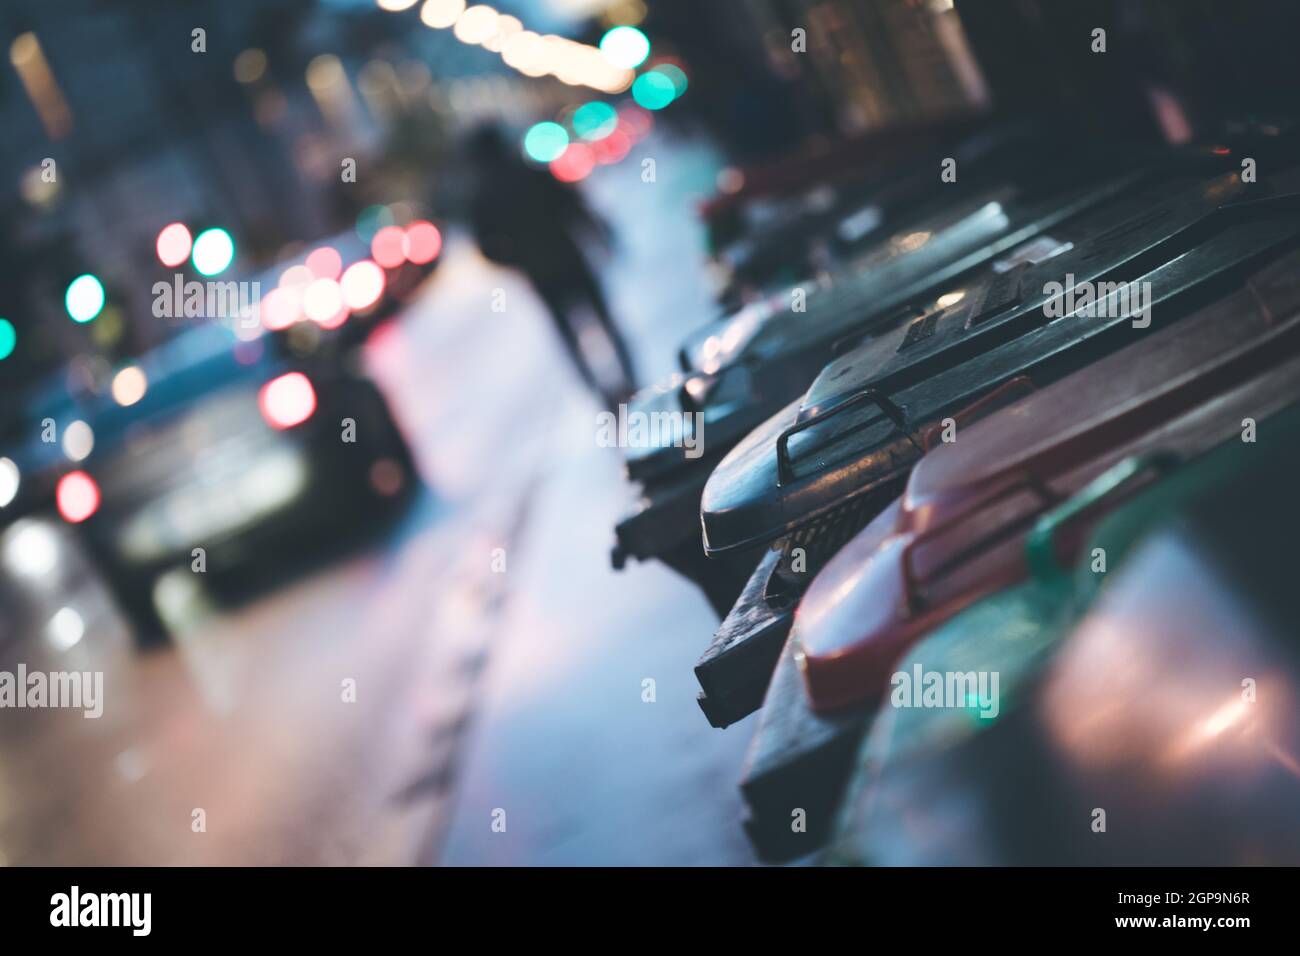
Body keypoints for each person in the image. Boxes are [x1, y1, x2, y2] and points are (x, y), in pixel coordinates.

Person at [465, 124, 636, 403]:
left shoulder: (484, 198)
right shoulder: (532, 174)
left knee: (570, 337)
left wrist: (517, 260)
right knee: (606, 323)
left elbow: (487, 247)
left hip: (542, 275)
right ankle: (630, 381)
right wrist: (602, 236)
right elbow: (574, 207)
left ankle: (600, 392)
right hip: (570, 260)